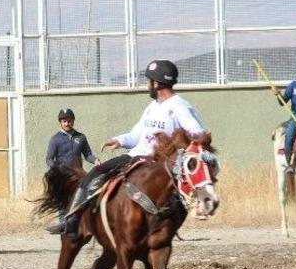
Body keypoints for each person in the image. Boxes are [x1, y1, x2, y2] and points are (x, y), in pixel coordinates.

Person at [48, 59, 205, 236]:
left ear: (157, 83)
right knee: (95, 175)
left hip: (158, 163)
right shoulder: (153, 107)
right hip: (135, 156)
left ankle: (73, 222)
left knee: (94, 175)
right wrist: (119, 140)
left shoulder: (180, 107)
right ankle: (73, 221)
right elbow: (137, 134)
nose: (148, 85)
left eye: (149, 81)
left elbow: (199, 135)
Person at [44, 108, 98, 233]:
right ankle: (63, 224)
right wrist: (56, 170)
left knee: (84, 197)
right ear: (60, 123)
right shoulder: (55, 139)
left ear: (73, 121)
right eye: (64, 121)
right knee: (63, 200)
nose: (67, 123)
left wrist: (96, 161)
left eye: (69, 120)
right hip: (63, 175)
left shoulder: (81, 137)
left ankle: (83, 221)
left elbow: (88, 154)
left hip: (78, 174)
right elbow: (49, 159)